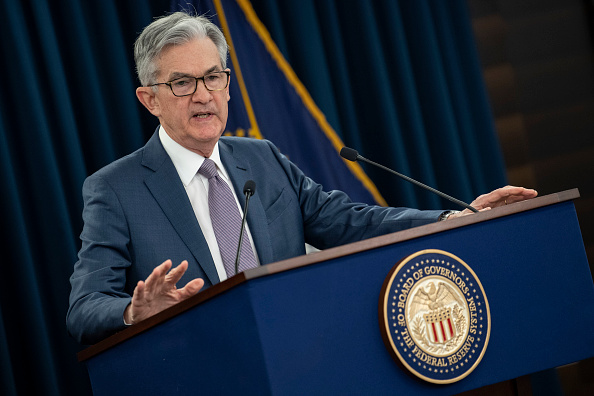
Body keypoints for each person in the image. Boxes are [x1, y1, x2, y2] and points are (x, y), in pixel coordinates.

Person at [66, 12, 537, 345]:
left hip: (302, 356)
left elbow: (354, 222)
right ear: (150, 99)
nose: (204, 95)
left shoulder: (262, 158)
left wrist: (454, 218)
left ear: (228, 84)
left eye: (214, 77)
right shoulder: (115, 189)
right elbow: (84, 308)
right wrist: (134, 311)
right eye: (183, 83)